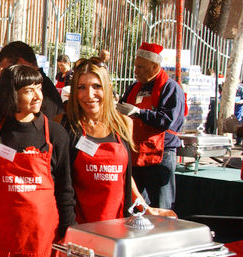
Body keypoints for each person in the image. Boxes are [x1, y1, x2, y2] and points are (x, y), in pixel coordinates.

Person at [59, 57, 175, 223]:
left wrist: (145, 207)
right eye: (81, 87)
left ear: (107, 88)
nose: (89, 95)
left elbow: (125, 175)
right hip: (79, 226)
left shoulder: (124, 123)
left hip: (117, 223)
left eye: (96, 86)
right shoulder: (63, 125)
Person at [0, 65, 75, 257]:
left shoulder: (55, 134)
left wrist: (67, 231)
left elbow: (65, 190)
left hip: (42, 238)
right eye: (28, 90)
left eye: (39, 88)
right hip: (1, 237)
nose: (37, 96)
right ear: (11, 94)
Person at [117, 42, 185, 209]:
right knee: (136, 204)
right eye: (135, 66)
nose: (136, 71)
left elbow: (166, 120)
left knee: (161, 204)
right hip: (136, 152)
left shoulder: (170, 88)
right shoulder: (134, 87)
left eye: (141, 67)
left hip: (161, 155)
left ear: (155, 67)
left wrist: (139, 113)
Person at [0, 41, 64, 122]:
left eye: (7, 69)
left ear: (20, 62)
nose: (3, 74)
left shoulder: (49, 94)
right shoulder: (1, 83)